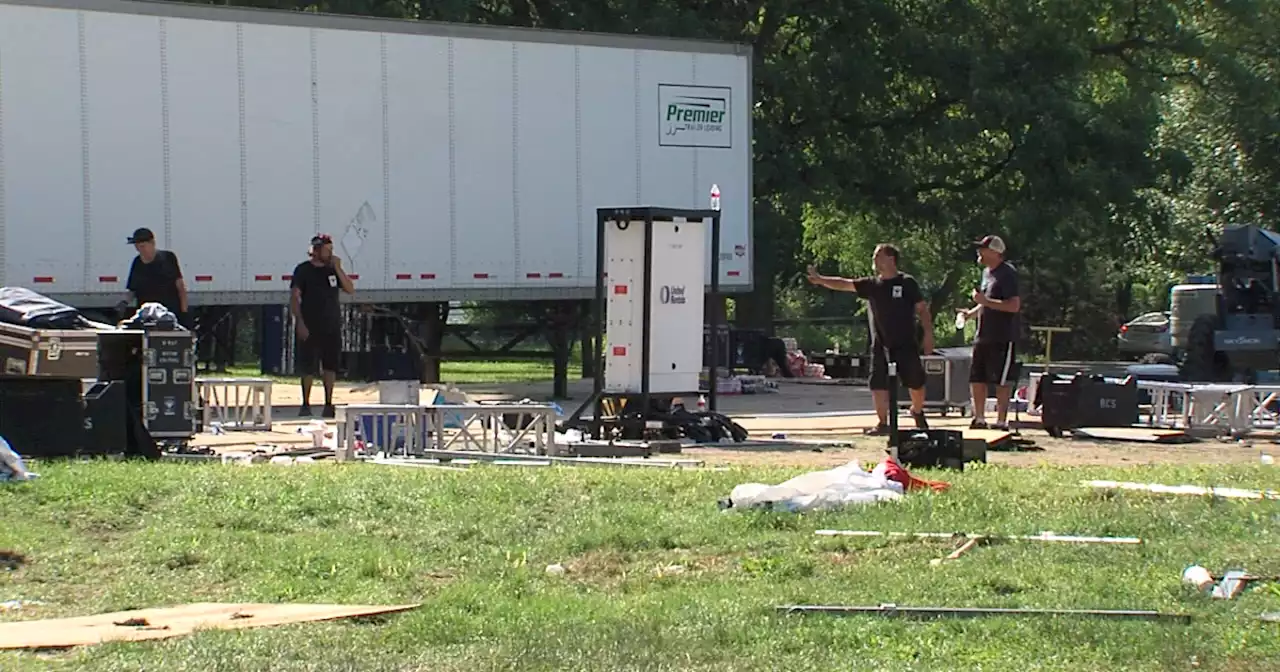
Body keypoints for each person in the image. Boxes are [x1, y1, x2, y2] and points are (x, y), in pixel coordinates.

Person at [807, 243, 935, 435]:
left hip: (906, 341)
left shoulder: (907, 282)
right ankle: (883, 423)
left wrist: (928, 335)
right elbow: (845, 283)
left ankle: (917, 412)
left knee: (915, 381)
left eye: (878, 256)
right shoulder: (872, 285)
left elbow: (922, 310)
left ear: (891, 259)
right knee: (877, 383)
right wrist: (820, 280)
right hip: (881, 343)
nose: (874, 260)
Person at [957, 234, 1021, 430]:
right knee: (977, 377)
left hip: (1002, 336)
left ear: (996, 252)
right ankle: (980, 418)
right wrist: (971, 314)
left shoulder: (1007, 273)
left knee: (1002, 380)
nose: (979, 253)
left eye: (983, 249)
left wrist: (985, 302)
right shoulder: (986, 273)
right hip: (982, 335)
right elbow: (985, 303)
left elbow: (1014, 305)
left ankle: (1001, 421)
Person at [290, 233, 355, 418]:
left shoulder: (333, 270)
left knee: (330, 365)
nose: (330, 253)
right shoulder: (303, 270)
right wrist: (299, 322)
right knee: (308, 365)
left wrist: (338, 268)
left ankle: (328, 403)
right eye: (327, 250)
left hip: (331, 324)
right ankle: (306, 403)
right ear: (316, 251)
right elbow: (295, 296)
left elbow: (350, 289)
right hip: (310, 323)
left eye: (331, 250)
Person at [125, 227, 190, 328]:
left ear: (152, 243)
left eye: (142, 246)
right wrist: (124, 302)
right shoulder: (137, 263)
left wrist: (184, 313)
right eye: (137, 247)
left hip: (168, 314)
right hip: (147, 316)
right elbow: (132, 289)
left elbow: (180, 287)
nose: (140, 250)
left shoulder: (168, 258)